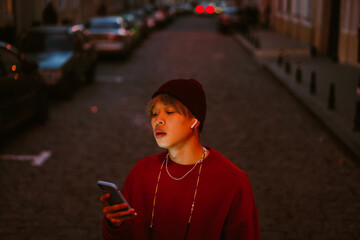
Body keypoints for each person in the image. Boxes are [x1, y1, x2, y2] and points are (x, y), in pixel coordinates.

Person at [100, 79, 260, 239]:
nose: (158, 120)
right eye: (154, 113)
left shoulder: (232, 181)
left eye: (169, 112)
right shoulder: (142, 172)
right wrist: (116, 224)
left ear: (195, 120)